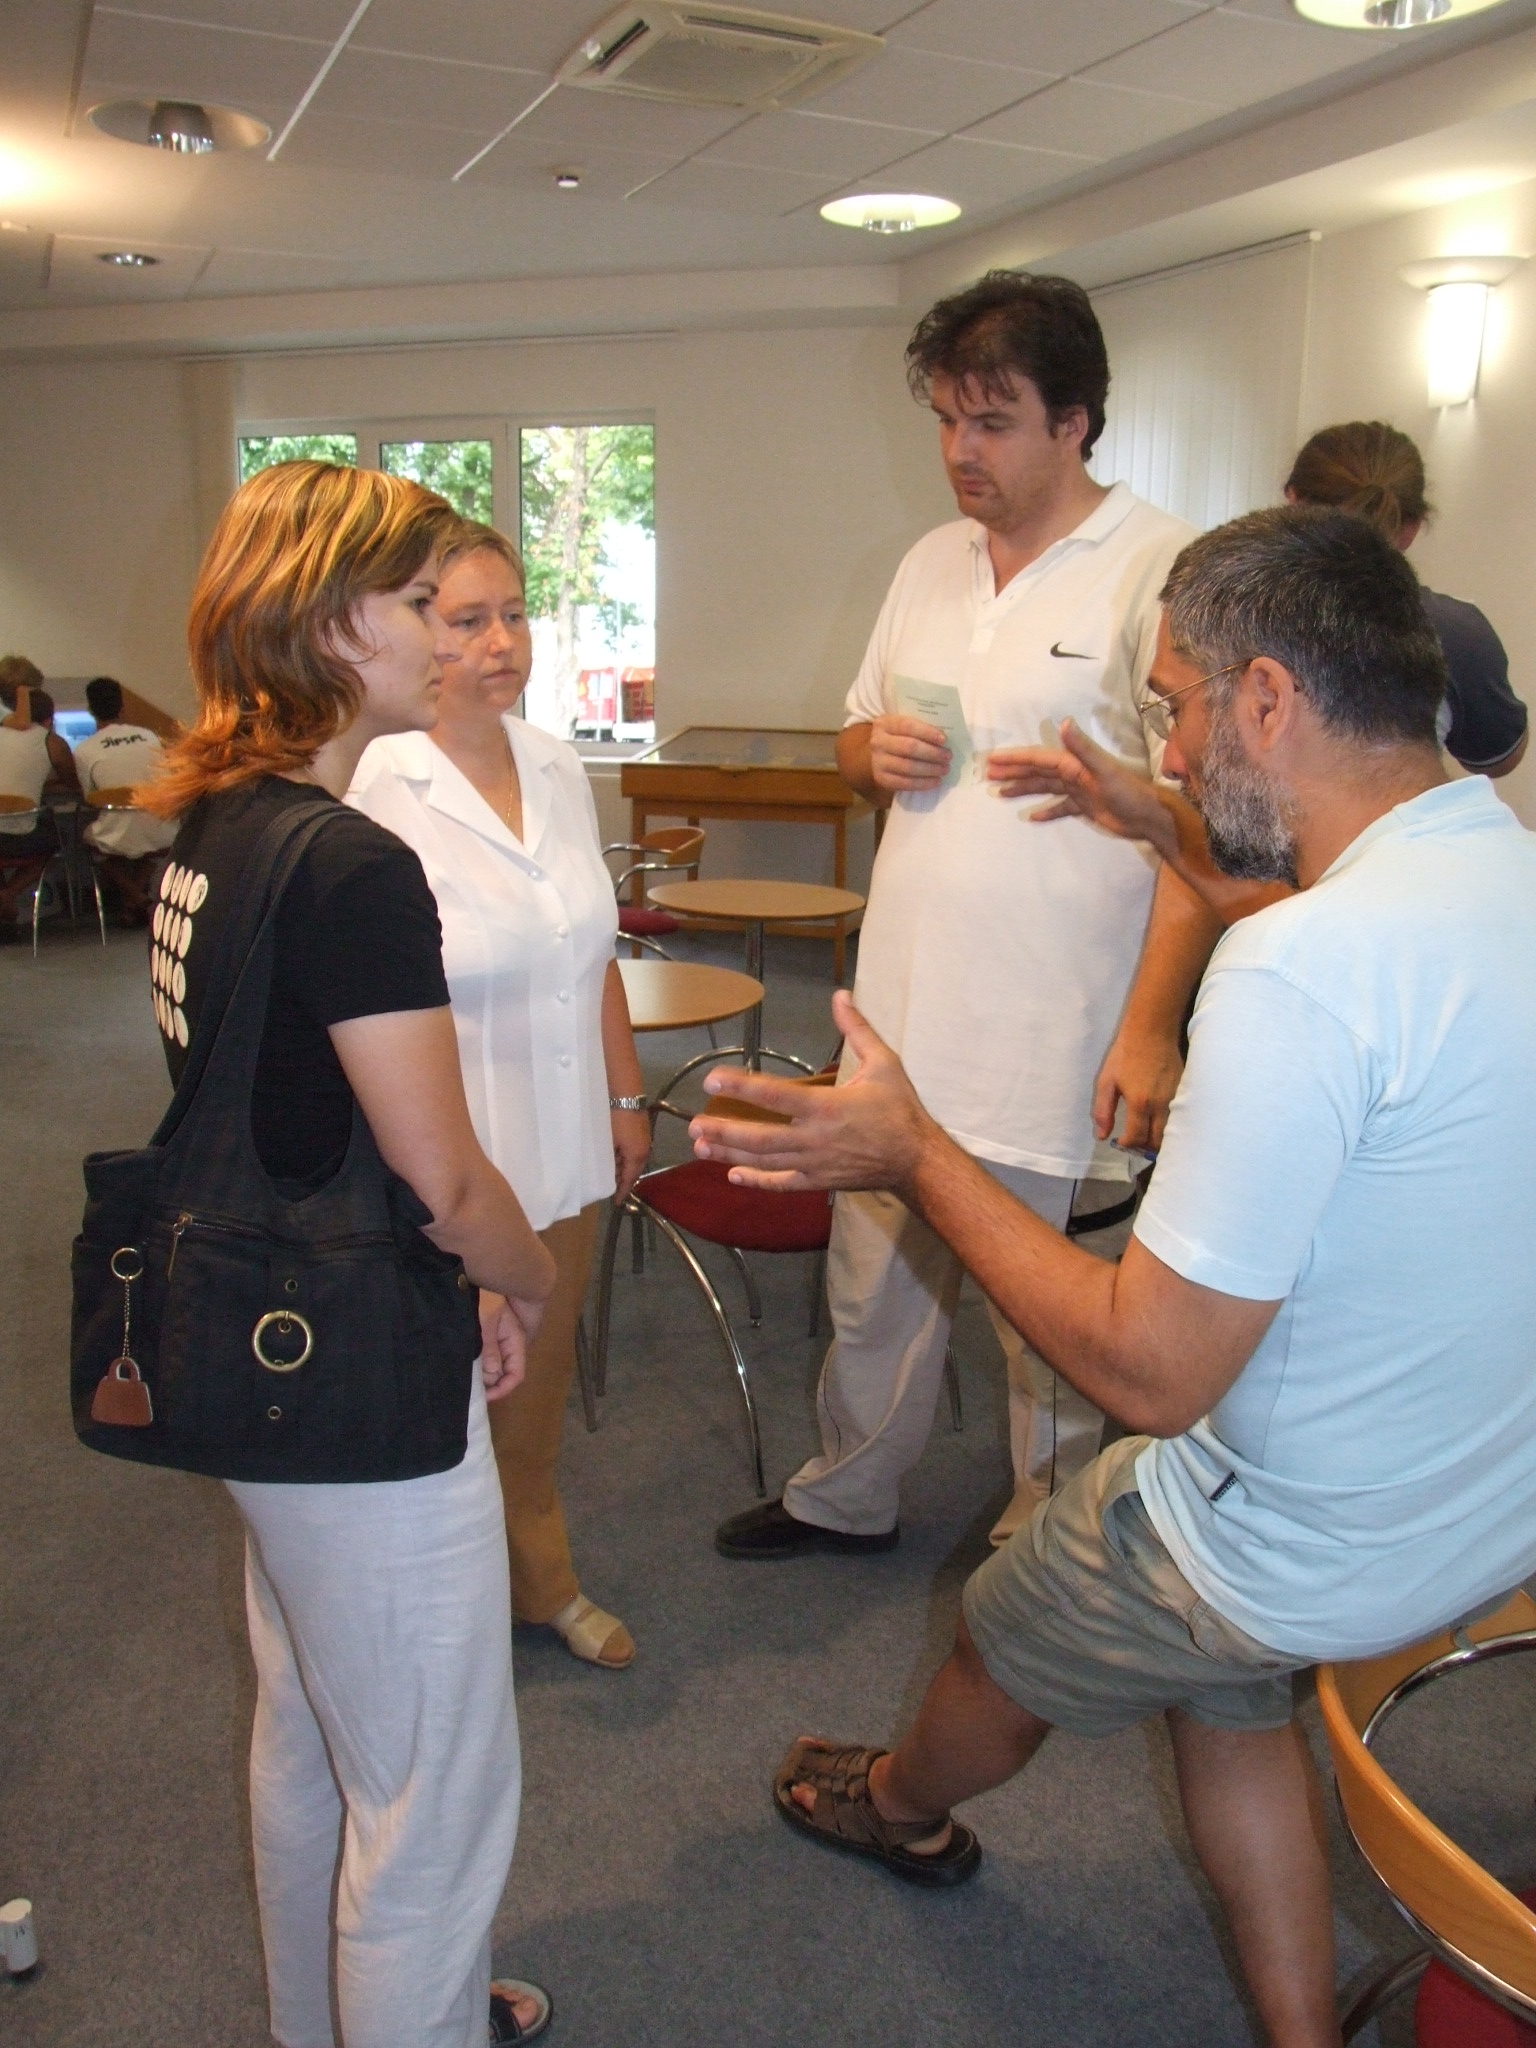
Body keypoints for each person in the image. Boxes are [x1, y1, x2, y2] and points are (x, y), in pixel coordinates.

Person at [690, 504, 1536, 2048]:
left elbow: (1149, 1371)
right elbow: (1323, 945)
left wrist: (915, 1153)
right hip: (1485, 1506)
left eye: (1180, 708)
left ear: (1269, 697)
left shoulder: (1298, 975)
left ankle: (899, 1806)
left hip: (1296, 1543)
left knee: (1011, 1615)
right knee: (1221, 1695)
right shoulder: (1492, 870)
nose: (1177, 748)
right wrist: (1159, 826)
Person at [139, 462, 560, 2048]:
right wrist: (522, 1273)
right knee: (431, 1794)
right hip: (347, 1370)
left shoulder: (218, 829)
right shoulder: (351, 864)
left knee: (318, 1733)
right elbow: (442, 1173)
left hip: (259, 1353)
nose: (449, 637)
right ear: (332, 626)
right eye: (419, 604)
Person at [716, 269, 1214, 1563]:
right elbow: (852, 734)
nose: (959, 450)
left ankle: (1047, 1549)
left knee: (1051, 1319)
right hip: (902, 1017)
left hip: (1059, 1031)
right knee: (871, 1288)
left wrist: (1150, 1029)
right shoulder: (930, 561)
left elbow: (1206, 835)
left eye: (992, 421)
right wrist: (866, 752)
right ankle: (847, 1495)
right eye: (946, 418)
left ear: (1075, 421)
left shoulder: (1161, 569)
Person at [349, 520, 649, 1670]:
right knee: (438, 1409)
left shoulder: (558, 763)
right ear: (414, 629)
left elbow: (592, 949)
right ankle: (437, 1622)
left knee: (533, 1404)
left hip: (563, 1150)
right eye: (468, 619)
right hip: (446, 1168)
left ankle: (541, 1582)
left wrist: (627, 1099)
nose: (502, 642)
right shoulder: (380, 780)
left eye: (515, 614)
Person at [1286, 419, 1527, 777]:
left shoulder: (1224, 607)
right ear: (1411, 528)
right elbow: (1499, 757)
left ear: (1292, 500)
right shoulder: (1456, 633)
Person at [73, 675, 177, 922]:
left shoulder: (84, 749)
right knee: (151, 843)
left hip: (118, 834)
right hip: (162, 828)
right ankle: (135, 900)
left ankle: (135, 897)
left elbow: (91, 797)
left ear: (90, 710)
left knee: (92, 842)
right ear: (122, 707)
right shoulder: (150, 736)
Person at [0, 666, 81, 930]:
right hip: (20, 835)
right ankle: (8, 894)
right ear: (49, 719)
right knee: (58, 839)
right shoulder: (52, 742)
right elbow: (74, 784)